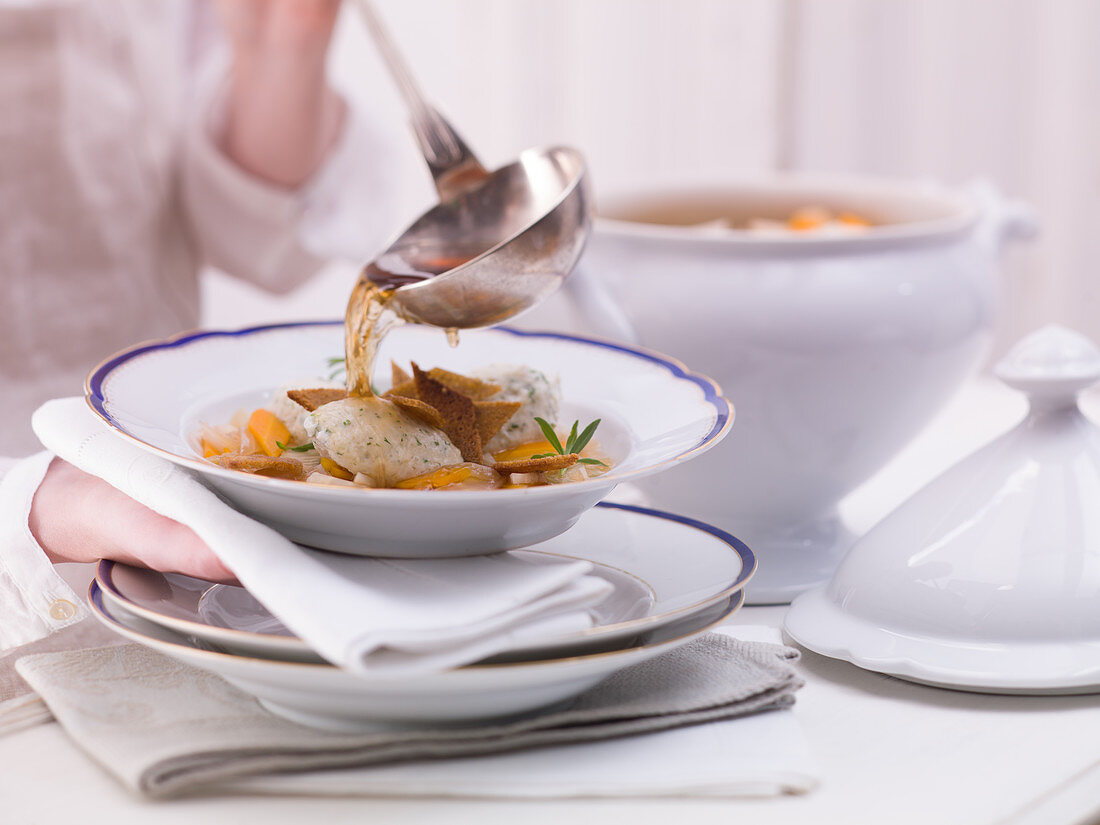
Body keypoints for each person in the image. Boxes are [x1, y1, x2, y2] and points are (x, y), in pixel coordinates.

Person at [0, 0, 394, 651]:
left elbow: (244, 232)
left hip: (165, 533)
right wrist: (33, 505)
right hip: (88, 522)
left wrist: (283, 46)